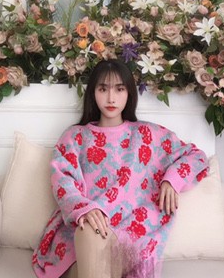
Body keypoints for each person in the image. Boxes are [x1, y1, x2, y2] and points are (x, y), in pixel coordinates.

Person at [32, 59, 209, 278]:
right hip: (84, 232)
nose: (111, 98)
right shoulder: (75, 137)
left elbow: (196, 156)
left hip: (128, 240)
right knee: (90, 229)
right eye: (103, 89)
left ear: (129, 93)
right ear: (93, 93)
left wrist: (171, 180)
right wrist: (85, 209)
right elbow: (63, 182)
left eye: (119, 89)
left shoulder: (147, 135)